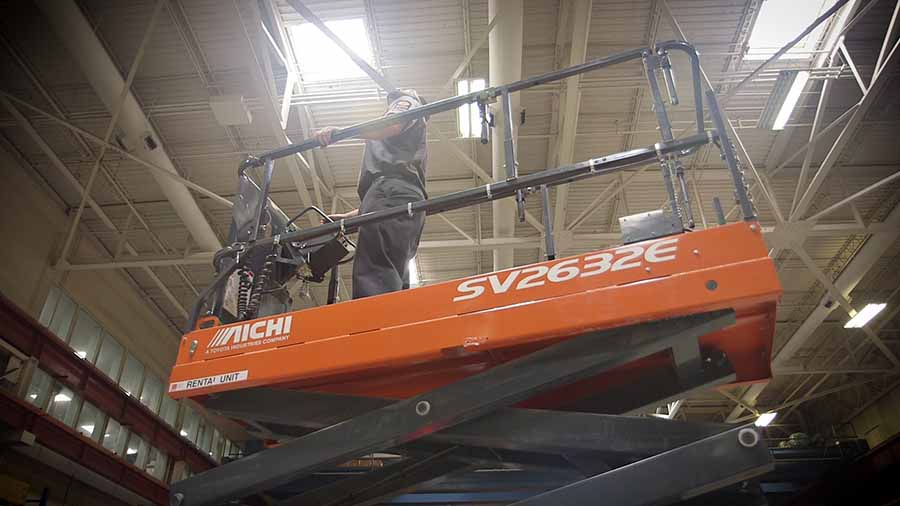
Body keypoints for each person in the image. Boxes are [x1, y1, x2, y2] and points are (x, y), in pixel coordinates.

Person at [314, 89, 428, 299]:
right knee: (392, 270)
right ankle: (389, 318)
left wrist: (340, 133)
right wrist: (350, 217)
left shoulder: (406, 101)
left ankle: (372, 318)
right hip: (407, 202)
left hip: (390, 192)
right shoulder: (411, 145)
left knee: (376, 269)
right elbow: (392, 196)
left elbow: (392, 124)